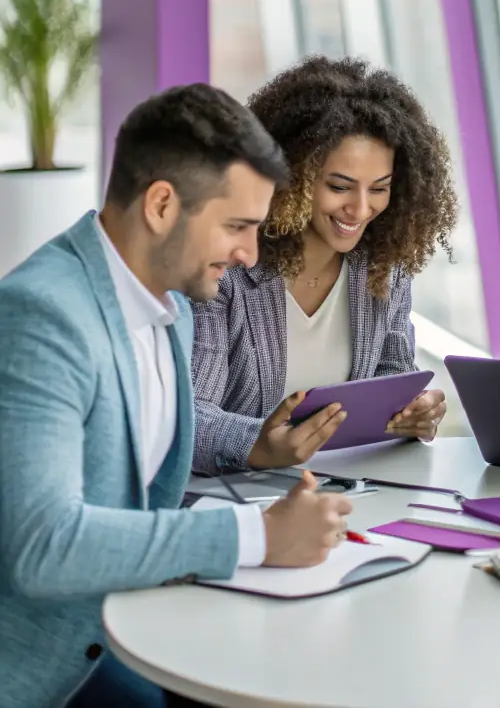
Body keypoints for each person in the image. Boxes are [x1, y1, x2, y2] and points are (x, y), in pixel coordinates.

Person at [0, 86, 355, 708]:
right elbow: (44, 546)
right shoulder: (43, 315)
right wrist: (257, 537)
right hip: (46, 667)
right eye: (237, 227)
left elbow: (136, 479)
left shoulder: (175, 306)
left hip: (135, 622)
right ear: (162, 204)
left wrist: (259, 453)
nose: (249, 253)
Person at [191, 56, 456, 476]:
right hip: (232, 500)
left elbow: (391, 370)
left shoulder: (384, 266)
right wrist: (258, 445)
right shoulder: (227, 269)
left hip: (345, 493)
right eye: (339, 186)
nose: (361, 209)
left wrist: (412, 413)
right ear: (290, 175)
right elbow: (187, 417)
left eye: (380, 189)